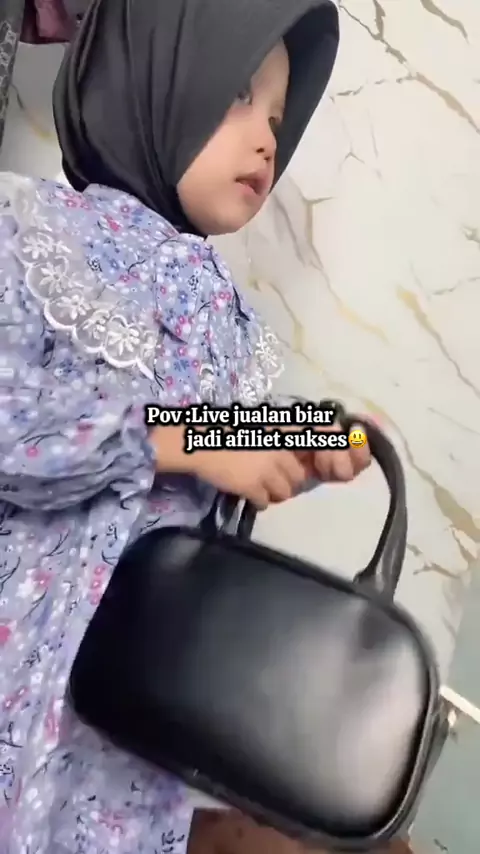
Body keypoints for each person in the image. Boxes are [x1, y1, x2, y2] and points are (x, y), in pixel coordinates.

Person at [0, 1, 371, 851]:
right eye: (240, 95)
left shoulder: (228, 320)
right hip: (21, 666)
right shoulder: (35, 236)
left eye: (278, 119)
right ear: (153, 80)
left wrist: (300, 444)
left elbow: (211, 452)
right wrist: (180, 440)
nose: (268, 140)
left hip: (128, 730)